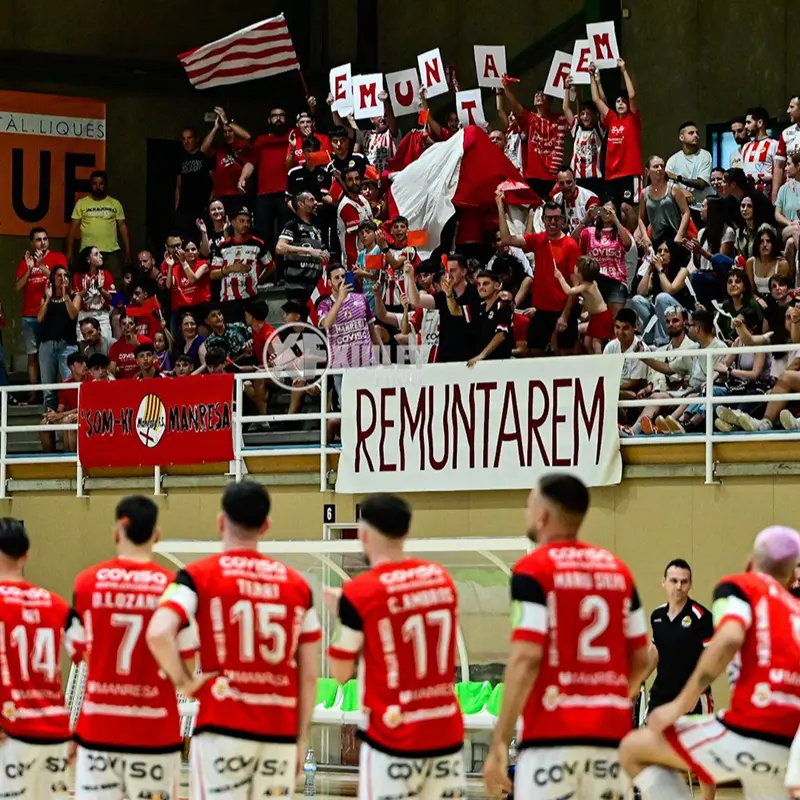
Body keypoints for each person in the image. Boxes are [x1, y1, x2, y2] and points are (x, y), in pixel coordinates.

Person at [147, 481, 322, 798]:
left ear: (220, 521)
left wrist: (185, 683)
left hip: (221, 725)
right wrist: (301, 738)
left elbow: (158, 632)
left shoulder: (197, 576)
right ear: (266, 525)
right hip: (279, 731)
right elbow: (309, 674)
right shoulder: (299, 587)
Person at [482, 474, 650, 799]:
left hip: (551, 741)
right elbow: (644, 657)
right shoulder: (619, 571)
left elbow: (526, 657)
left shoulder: (533, 570)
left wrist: (500, 741)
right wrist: (609, 698)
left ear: (542, 515)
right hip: (611, 741)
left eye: (529, 503)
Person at [620, 525, 800, 800]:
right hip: (789, 737)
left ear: (750, 561)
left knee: (632, 748)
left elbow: (726, 640)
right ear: (790, 575)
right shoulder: (794, 609)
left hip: (748, 727)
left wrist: (679, 705)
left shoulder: (739, 588)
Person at [326, 493, 465, 800]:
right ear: (406, 532)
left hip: (393, 737)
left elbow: (340, 671)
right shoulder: (441, 579)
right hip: (445, 732)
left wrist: (346, 613)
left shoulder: (360, 592)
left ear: (363, 533)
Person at [71, 496, 194, 800]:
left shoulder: (85, 584)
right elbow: (188, 659)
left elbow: (82, 652)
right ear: (157, 534)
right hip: (155, 730)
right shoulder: (174, 589)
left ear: (116, 532)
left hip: (98, 727)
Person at [0, 517, 81, 800]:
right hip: (54, 734)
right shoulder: (58, 606)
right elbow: (95, 661)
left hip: (9, 733)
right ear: (26, 555)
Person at [645, 559, 715, 800]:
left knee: (701, 760)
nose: (678, 587)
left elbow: (711, 661)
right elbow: (655, 653)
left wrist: (695, 693)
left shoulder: (701, 617)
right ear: (664, 582)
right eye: (674, 581)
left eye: (684, 582)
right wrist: (636, 685)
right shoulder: (657, 616)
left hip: (693, 696)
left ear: (690, 584)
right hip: (662, 694)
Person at [498, 195, 581, 357]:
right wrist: (500, 207)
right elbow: (506, 239)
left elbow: (575, 285)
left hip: (563, 310)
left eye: (556, 218)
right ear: (543, 220)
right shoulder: (538, 240)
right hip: (541, 311)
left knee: (566, 355)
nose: (552, 222)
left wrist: (565, 316)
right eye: (549, 218)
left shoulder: (571, 245)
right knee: (534, 353)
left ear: (562, 219)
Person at [16, 227, 68, 395]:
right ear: (32, 242)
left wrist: (41, 266)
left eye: (45, 239)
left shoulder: (58, 257)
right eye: (38, 239)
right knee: (33, 356)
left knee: (55, 354)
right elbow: (18, 287)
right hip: (30, 315)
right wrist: (30, 269)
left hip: (52, 314)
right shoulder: (25, 261)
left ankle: (59, 396)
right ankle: (34, 395)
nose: (43, 242)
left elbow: (61, 281)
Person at [406, 253, 481, 363]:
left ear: (464, 272)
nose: (448, 275)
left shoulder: (475, 294)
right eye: (447, 271)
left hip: (470, 358)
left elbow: (455, 310)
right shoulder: (443, 295)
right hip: (445, 358)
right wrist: (410, 278)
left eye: (453, 270)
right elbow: (416, 300)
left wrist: (449, 295)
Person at [589, 59, 643, 206]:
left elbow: (632, 95)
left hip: (630, 173)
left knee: (628, 208)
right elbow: (596, 99)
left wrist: (624, 70)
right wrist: (592, 76)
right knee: (612, 210)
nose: (620, 103)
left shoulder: (633, 118)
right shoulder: (611, 118)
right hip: (612, 174)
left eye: (623, 101)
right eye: (618, 101)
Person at [501, 81, 568, 198]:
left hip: (552, 177)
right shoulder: (529, 119)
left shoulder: (559, 119)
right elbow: (515, 106)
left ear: (550, 100)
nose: (538, 95)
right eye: (536, 94)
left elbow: (568, 109)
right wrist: (506, 88)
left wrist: (567, 88)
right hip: (532, 176)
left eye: (542, 94)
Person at [239, 108, 292, 249]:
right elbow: (251, 163)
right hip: (264, 195)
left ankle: (283, 270)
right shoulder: (262, 141)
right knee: (262, 236)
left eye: (281, 115)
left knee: (286, 236)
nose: (278, 119)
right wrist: (243, 178)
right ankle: (266, 268)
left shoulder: (292, 137)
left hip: (286, 194)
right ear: (269, 120)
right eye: (275, 116)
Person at [210, 207, 273, 323]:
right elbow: (213, 274)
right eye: (242, 221)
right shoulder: (222, 246)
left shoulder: (258, 244)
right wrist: (230, 269)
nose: (246, 224)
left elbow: (271, 265)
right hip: (229, 302)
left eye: (248, 221)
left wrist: (259, 279)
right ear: (233, 222)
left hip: (251, 299)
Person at [573, 198, 633, 318]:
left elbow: (627, 244)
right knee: (594, 322)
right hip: (594, 280)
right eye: (604, 210)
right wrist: (586, 219)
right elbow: (571, 241)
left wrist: (615, 220)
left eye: (611, 211)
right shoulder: (588, 232)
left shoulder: (622, 232)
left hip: (616, 280)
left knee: (615, 320)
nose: (607, 214)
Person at [66, 170, 131, 276]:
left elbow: (123, 228)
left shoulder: (115, 203)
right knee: (87, 282)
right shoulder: (81, 203)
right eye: (95, 184)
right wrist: (69, 252)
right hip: (88, 252)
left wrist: (128, 252)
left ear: (105, 185)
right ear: (90, 185)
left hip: (111, 252)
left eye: (101, 184)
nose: (98, 187)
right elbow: (72, 229)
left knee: (112, 284)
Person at [632, 240, 693, 346]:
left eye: (666, 251)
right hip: (660, 313)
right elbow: (640, 292)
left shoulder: (683, 271)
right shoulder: (655, 273)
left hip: (681, 312)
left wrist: (660, 270)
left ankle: (662, 342)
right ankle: (649, 336)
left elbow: (670, 290)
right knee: (636, 300)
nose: (661, 253)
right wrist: (649, 270)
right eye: (659, 251)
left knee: (661, 297)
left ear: (673, 254)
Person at [38, 266, 80, 411]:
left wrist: (65, 295)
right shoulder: (46, 298)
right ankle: (49, 428)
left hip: (67, 346)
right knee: (48, 390)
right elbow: (39, 318)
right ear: (53, 279)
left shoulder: (75, 297)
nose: (62, 278)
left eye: (65, 276)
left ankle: (68, 425)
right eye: (58, 275)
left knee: (68, 386)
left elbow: (73, 315)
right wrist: (48, 297)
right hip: (47, 346)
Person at [200, 106, 254, 218]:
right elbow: (203, 149)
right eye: (225, 132)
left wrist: (227, 122)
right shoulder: (220, 148)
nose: (228, 134)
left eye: (230, 131)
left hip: (239, 194)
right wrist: (215, 128)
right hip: (221, 195)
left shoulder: (243, 145)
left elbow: (248, 136)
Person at [276, 191, 327, 304]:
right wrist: (308, 251)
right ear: (301, 204)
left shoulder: (316, 227)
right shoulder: (292, 225)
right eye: (311, 200)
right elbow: (280, 248)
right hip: (297, 286)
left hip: (314, 286)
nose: (316, 203)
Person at [554, 255, 612, 352]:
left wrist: (560, 277)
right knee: (587, 342)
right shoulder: (585, 283)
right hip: (594, 316)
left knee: (595, 343)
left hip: (601, 316)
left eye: (576, 265)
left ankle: (601, 363)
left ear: (580, 271)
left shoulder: (587, 285)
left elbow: (569, 291)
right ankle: (592, 360)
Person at [40, 351, 90, 453]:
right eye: (80, 362)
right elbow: (60, 409)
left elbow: (86, 407)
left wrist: (62, 414)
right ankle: (49, 458)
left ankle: (71, 456)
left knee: (68, 419)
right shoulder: (65, 384)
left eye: (85, 362)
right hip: (71, 415)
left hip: (87, 415)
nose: (85, 365)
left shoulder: (92, 381)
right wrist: (53, 414)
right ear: (71, 367)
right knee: (44, 423)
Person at [638, 156, 691, 247]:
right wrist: (645, 236)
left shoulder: (673, 188)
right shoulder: (644, 193)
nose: (660, 169)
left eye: (662, 166)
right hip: (656, 239)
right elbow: (641, 218)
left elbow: (686, 212)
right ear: (647, 171)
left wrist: (680, 234)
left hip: (674, 237)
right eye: (656, 166)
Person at [464, 270, 514, 366]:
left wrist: (481, 355)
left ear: (496, 286)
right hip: (482, 363)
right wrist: (449, 295)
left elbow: (501, 335)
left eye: (485, 284)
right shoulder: (480, 307)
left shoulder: (502, 306)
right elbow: (456, 311)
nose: (481, 287)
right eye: (478, 284)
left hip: (500, 363)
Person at [562, 78, 604, 192]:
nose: (585, 116)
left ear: (594, 115)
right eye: (582, 114)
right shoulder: (577, 129)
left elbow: (603, 105)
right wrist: (566, 89)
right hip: (578, 179)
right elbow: (566, 108)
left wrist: (597, 82)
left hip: (595, 180)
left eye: (588, 114)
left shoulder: (599, 129)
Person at [666, 121, 714, 216]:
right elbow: (667, 186)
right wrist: (682, 191)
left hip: (702, 208)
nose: (696, 135)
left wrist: (678, 178)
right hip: (681, 209)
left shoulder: (705, 155)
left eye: (697, 133)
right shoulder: (672, 160)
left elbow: (701, 184)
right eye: (691, 133)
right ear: (681, 137)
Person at [164, 238, 211, 333]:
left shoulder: (204, 264)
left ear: (198, 251)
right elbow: (169, 285)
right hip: (185, 309)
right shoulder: (176, 269)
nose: (190, 252)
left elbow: (193, 278)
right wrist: (170, 266)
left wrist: (184, 262)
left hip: (202, 307)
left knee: (203, 332)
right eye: (187, 250)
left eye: (193, 249)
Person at [175, 126, 213, 238]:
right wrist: (177, 207)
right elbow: (178, 185)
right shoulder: (181, 158)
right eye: (183, 139)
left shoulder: (205, 156)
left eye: (189, 138)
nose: (186, 142)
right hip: (184, 209)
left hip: (201, 207)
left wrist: (210, 203)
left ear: (196, 139)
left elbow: (215, 182)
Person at [73, 245, 116, 340]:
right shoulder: (78, 276)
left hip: (102, 315)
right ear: (88, 259)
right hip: (84, 315)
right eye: (96, 254)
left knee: (105, 346)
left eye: (100, 253)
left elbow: (110, 298)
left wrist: (100, 289)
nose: (101, 256)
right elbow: (76, 300)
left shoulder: (106, 274)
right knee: (84, 347)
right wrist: (86, 288)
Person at [604, 308, 650, 395]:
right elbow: (604, 373)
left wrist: (611, 386)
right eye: (617, 327)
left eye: (625, 328)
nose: (620, 332)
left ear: (635, 327)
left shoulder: (642, 349)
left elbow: (635, 383)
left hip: (634, 393)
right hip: (612, 389)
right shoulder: (610, 347)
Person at [336, 166, 373, 269]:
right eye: (350, 180)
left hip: (368, 256)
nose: (354, 182)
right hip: (354, 262)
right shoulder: (346, 206)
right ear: (344, 182)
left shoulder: (363, 199)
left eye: (357, 179)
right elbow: (361, 237)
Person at [741, 106, 779, 198]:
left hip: (766, 199)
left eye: (749, 122)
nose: (745, 126)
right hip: (748, 199)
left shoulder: (774, 145)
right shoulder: (746, 147)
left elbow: (780, 174)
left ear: (760, 123)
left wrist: (767, 178)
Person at [745, 225, 792, 297]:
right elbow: (751, 291)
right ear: (757, 245)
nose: (764, 245)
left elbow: (783, 290)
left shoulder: (782, 264)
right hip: (757, 300)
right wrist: (758, 300)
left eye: (768, 241)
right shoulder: (750, 262)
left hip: (777, 299)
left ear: (773, 244)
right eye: (761, 242)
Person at [552, 166, 600, 233]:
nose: (565, 186)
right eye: (561, 183)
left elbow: (598, 227)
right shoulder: (555, 199)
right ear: (557, 184)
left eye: (569, 182)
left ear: (575, 181)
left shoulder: (590, 198)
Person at [773, 94, 800, 199]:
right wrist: (775, 196)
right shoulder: (786, 133)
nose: (788, 111)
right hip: (791, 190)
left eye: (792, 107)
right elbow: (779, 167)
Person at [109, 314, 151, 379]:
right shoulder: (115, 347)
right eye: (124, 324)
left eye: (131, 323)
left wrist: (138, 346)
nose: (127, 327)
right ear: (120, 326)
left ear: (136, 325)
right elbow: (111, 371)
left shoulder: (146, 342)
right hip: (122, 384)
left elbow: (153, 365)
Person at [775, 152, 800, 265]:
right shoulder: (783, 189)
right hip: (787, 228)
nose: (785, 168)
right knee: (795, 229)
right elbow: (777, 214)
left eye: (788, 164)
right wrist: (790, 223)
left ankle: (794, 279)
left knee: (790, 243)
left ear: (798, 166)